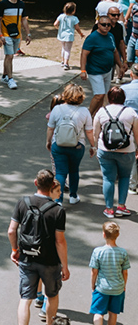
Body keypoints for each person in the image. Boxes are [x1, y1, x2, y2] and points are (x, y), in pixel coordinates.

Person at [8, 170, 69, 325]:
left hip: (27, 257)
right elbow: (60, 241)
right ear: (52, 186)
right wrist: (65, 266)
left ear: (35, 182)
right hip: (49, 261)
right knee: (51, 295)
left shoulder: (22, 202)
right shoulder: (58, 210)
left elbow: (12, 230)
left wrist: (14, 250)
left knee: (25, 299)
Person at [93, 85, 138, 216]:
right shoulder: (131, 112)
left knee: (108, 178)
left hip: (105, 150)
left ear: (109, 97)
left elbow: (96, 133)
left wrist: (95, 147)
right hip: (126, 150)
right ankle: (122, 206)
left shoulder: (102, 111)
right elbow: (136, 134)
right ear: (124, 98)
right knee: (124, 177)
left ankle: (109, 209)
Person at [47, 83, 94, 205]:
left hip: (58, 145)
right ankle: (73, 196)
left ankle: (57, 200)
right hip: (77, 146)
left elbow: (50, 128)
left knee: (60, 172)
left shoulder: (57, 109)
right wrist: (93, 146)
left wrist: (48, 141)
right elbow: (89, 130)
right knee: (74, 171)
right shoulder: (84, 111)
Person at [89, 220, 129, 325]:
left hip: (102, 288)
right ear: (117, 235)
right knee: (113, 313)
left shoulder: (98, 251)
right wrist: (124, 285)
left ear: (103, 234)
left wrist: (93, 284)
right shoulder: (122, 252)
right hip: (117, 288)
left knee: (98, 313)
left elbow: (94, 271)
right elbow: (125, 272)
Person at [81, 15, 125, 104]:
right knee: (99, 95)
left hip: (107, 70)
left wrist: (120, 66)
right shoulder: (92, 38)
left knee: (105, 95)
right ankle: (89, 115)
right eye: (103, 24)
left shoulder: (110, 36)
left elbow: (115, 51)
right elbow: (84, 54)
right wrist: (83, 70)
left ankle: (101, 114)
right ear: (98, 25)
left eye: (108, 25)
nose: (106, 27)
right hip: (95, 71)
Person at [0, 0, 27, 89]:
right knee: (9, 56)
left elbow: (24, 19)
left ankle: (5, 75)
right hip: (6, 34)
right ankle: (10, 79)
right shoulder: (3, 4)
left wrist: (28, 33)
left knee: (10, 56)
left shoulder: (21, 4)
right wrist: (0, 34)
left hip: (16, 34)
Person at [55, 2, 84, 70]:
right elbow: (77, 28)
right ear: (73, 10)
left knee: (63, 48)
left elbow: (55, 24)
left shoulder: (61, 16)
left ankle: (62, 61)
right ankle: (66, 63)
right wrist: (81, 33)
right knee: (67, 50)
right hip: (69, 36)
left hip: (61, 35)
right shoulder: (74, 18)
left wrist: (59, 29)